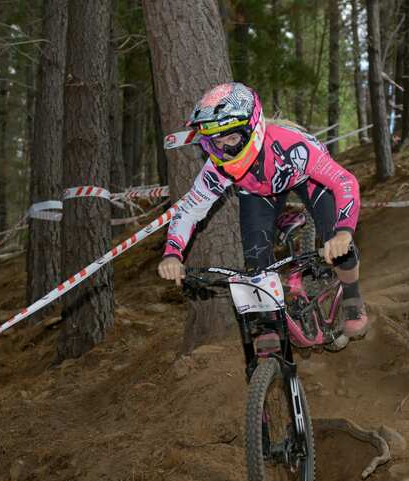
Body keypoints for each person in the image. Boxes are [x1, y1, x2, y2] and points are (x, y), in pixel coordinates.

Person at [156, 82, 368, 346]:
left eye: (232, 139)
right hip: (258, 192)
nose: (224, 150)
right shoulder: (218, 167)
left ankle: (352, 297)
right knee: (256, 259)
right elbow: (188, 211)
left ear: (252, 129)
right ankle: (268, 321)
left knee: (337, 241)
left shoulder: (293, 146)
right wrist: (172, 254)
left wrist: (344, 233)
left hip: (306, 179)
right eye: (216, 143)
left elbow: (345, 183)